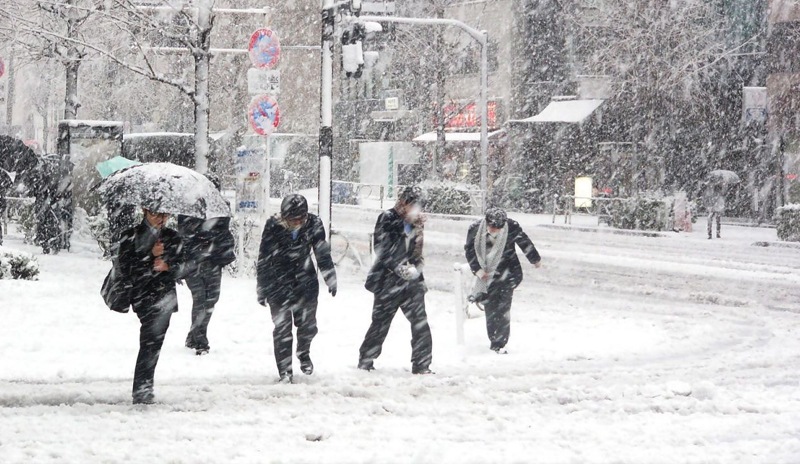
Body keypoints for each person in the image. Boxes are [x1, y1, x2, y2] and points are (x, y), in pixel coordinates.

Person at [256, 194, 337, 384]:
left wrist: (330, 277)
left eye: (300, 219)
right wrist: (262, 287)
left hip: (305, 282)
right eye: (292, 219)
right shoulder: (273, 225)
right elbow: (264, 257)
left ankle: (303, 352)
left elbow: (322, 252)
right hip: (278, 283)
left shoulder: (314, 224)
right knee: (282, 329)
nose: (296, 223)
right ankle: (285, 371)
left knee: (308, 326)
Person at [358, 186, 433, 375]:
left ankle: (422, 364)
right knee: (380, 323)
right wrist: (397, 267)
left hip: (411, 282)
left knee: (420, 323)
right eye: (414, 206)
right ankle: (366, 360)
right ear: (404, 203)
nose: (417, 211)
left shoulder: (417, 223)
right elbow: (381, 247)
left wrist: (416, 269)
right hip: (387, 281)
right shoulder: (388, 218)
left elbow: (417, 253)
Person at [117, 208, 185, 404]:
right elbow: (126, 267)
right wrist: (149, 256)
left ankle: (143, 387)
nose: (161, 219)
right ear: (145, 212)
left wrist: (168, 265)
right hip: (143, 295)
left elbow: (185, 266)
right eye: (156, 214)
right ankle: (142, 388)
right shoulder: (131, 236)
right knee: (150, 342)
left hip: (165, 297)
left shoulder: (172, 237)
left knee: (153, 343)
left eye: (165, 215)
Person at [464, 207, 541, 354]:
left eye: (498, 227)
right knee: (491, 309)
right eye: (492, 227)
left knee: (503, 308)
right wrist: (478, 270)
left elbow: (524, 242)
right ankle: (494, 339)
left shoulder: (511, 226)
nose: (495, 230)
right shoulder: (475, 229)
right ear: (486, 222)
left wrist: (535, 259)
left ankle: (500, 343)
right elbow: (469, 250)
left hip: (508, 273)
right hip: (487, 276)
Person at [179, 214, 235, 355]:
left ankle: (193, 336)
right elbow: (183, 237)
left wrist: (218, 245)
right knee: (200, 299)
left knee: (211, 300)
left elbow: (225, 235)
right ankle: (200, 341)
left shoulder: (219, 209)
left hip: (213, 262)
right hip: (193, 263)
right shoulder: (189, 209)